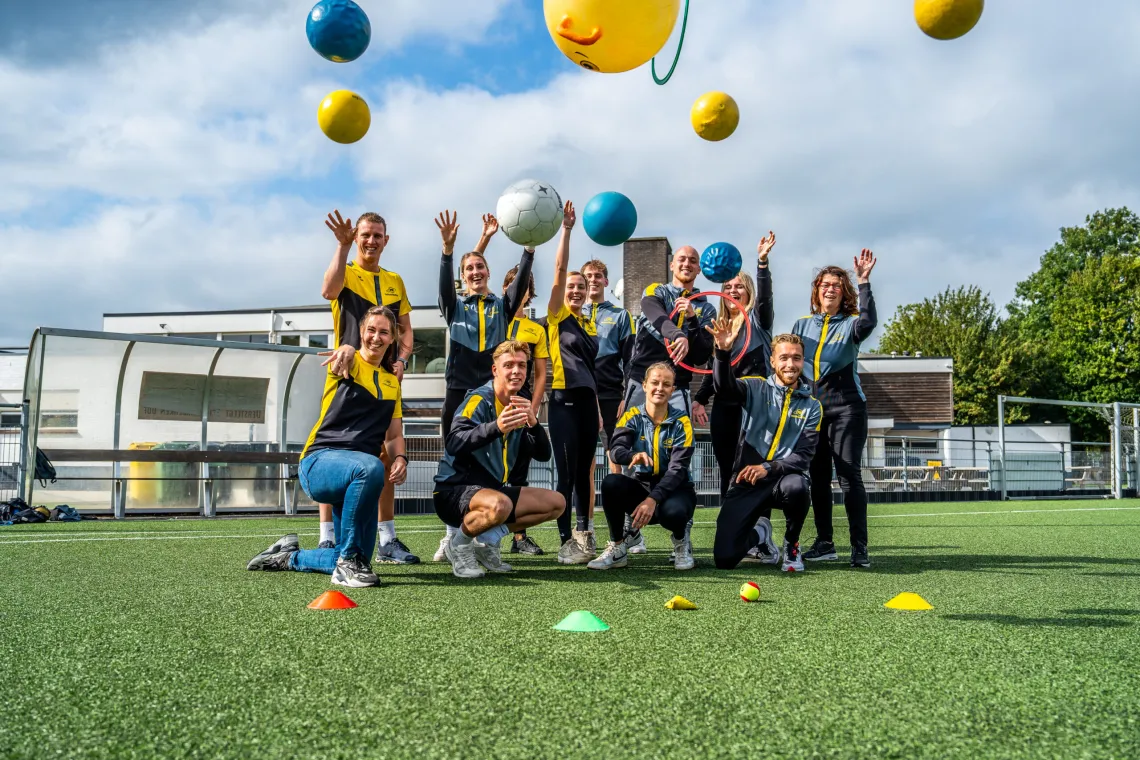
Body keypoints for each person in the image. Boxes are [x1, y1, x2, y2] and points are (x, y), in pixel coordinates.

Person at [247, 306, 409, 587]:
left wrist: (401, 458)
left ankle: (288, 557)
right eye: (370, 330)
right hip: (319, 463)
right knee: (371, 467)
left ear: (393, 338)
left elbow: (393, 436)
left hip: (356, 474)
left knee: (358, 554)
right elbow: (342, 357)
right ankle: (347, 565)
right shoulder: (347, 362)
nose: (376, 337)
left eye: (384, 332)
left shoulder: (391, 383)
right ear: (361, 333)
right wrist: (345, 347)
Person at [318, 210, 418, 565]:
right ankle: (327, 538)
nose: (371, 240)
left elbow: (406, 330)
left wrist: (402, 361)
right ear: (356, 237)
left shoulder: (395, 281)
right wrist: (342, 247)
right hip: (346, 371)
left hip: (384, 379)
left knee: (386, 452)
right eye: (365, 235)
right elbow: (328, 290)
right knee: (337, 447)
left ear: (386, 240)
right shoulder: (344, 271)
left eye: (378, 235)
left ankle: (387, 538)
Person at [434, 211, 535, 560]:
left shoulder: (502, 306)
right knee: (456, 457)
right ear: (463, 278)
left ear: (489, 273)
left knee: (507, 456)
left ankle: (490, 538)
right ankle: (452, 536)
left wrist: (529, 250)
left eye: (480, 268)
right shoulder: (454, 307)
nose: (476, 273)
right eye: (469, 270)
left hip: (496, 393)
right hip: (458, 391)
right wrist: (448, 253)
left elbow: (520, 285)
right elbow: (445, 286)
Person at [433, 341, 565, 578]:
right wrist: (497, 427)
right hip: (453, 492)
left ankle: (487, 542)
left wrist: (534, 424)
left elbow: (544, 455)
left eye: (522, 366)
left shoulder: (518, 402)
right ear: (495, 370)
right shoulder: (479, 399)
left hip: (493, 491)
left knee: (557, 503)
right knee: (500, 504)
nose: (516, 371)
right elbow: (453, 441)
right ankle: (458, 545)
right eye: (509, 365)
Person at [707, 326, 823, 573]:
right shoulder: (755, 387)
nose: (790, 364)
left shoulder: (813, 406)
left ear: (803, 360)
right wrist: (723, 353)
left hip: (783, 479)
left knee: (798, 486)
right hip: (747, 480)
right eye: (783, 357)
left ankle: (792, 544)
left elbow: (803, 457)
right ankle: (760, 534)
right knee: (724, 559)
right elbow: (724, 389)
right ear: (772, 361)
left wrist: (767, 467)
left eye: (796, 358)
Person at [792, 250, 878, 568]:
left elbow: (869, 321)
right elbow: (789, 364)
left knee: (848, 477)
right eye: (825, 284)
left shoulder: (853, 325)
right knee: (816, 477)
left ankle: (859, 548)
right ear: (817, 291)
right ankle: (825, 543)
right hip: (813, 412)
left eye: (836, 286)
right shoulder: (801, 325)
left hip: (847, 410)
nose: (830, 289)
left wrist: (865, 280)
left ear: (844, 294)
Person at [692, 232, 777, 501]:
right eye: (727, 288)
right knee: (727, 468)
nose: (732, 292)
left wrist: (761, 263)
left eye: (738, 287)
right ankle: (728, 527)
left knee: (751, 467)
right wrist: (700, 399)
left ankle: (757, 533)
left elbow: (765, 299)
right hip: (725, 406)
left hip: (755, 402)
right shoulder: (719, 325)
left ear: (748, 291)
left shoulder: (758, 320)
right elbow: (713, 367)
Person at [587, 362, 696, 571]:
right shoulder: (631, 416)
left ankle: (681, 541)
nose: (660, 388)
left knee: (674, 513)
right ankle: (618, 547)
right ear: (644, 385)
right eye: (655, 382)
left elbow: (677, 470)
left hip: (676, 489)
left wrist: (652, 500)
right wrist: (632, 455)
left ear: (673, 390)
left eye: (666, 384)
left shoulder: (682, 422)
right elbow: (616, 450)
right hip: (643, 484)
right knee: (611, 483)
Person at [542, 201, 602, 565]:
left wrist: (595, 409)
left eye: (581, 286)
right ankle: (565, 541)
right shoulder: (557, 314)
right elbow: (560, 268)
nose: (576, 290)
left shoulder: (590, 323)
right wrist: (566, 230)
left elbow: (591, 372)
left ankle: (583, 532)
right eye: (572, 286)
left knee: (584, 474)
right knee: (565, 474)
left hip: (586, 404)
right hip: (562, 402)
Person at [581, 258, 636, 554]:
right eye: (587, 275)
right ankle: (586, 529)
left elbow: (631, 360)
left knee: (618, 459)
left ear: (605, 281)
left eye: (597, 275)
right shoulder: (572, 313)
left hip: (613, 395)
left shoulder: (621, 315)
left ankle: (629, 529)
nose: (592, 279)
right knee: (585, 465)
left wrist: (627, 396)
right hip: (582, 394)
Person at [625, 245, 716, 417]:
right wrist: (678, 335)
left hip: (677, 386)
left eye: (693, 261)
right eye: (681, 259)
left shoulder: (707, 309)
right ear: (672, 265)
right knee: (630, 437)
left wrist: (692, 319)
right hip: (642, 382)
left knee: (680, 442)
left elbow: (700, 357)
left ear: (699, 269)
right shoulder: (656, 291)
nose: (686, 264)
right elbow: (654, 313)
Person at [501, 264, 550, 556]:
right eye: (513, 284)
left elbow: (541, 374)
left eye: (524, 285)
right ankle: (483, 534)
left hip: (523, 402)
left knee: (520, 468)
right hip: (494, 401)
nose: (518, 290)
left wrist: (532, 409)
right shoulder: (496, 320)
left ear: (530, 292)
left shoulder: (535, 329)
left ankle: (519, 537)